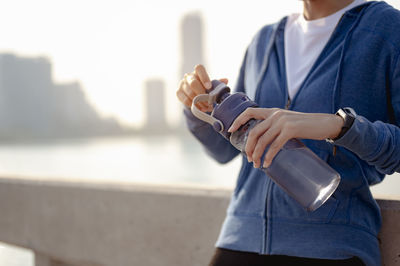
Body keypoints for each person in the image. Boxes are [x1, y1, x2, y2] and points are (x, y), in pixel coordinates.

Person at [176, 0, 400, 265]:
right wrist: (199, 110)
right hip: (238, 242)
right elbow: (224, 150)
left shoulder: (388, 30)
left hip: (332, 247)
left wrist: (339, 126)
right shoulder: (264, 40)